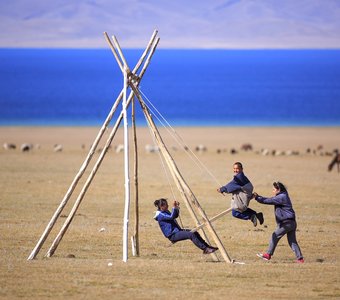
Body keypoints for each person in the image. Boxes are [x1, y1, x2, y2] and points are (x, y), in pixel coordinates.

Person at [253, 181, 304, 263]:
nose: (272, 191)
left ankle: (268, 255)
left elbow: (268, 201)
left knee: (275, 236)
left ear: (279, 189)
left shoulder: (281, 197)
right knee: (292, 241)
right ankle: (300, 259)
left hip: (286, 223)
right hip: (292, 223)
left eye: (274, 189)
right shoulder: (284, 195)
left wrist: (257, 197)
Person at [153, 198, 218, 254]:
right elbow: (171, 217)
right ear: (161, 207)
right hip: (173, 235)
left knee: (194, 232)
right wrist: (174, 208)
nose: (168, 205)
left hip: (177, 231)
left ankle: (207, 247)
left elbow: (175, 216)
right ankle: (205, 249)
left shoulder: (165, 211)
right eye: (166, 205)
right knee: (191, 235)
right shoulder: (160, 215)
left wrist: (176, 208)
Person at [217, 162, 264, 227]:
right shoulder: (242, 177)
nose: (235, 170)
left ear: (241, 169)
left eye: (237, 169)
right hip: (245, 197)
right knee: (241, 210)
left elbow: (230, 186)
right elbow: (233, 185)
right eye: (234, 168)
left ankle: (251, 216)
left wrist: (222, 189)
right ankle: (256, 215)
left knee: (235, 212)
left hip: (243, 198)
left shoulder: (239, 178)